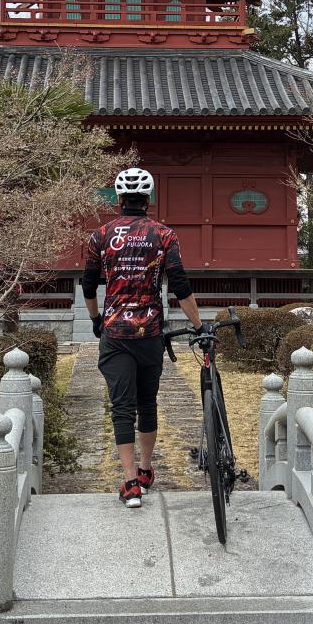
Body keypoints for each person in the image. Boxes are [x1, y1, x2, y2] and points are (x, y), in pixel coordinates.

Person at [82, 166, 204, 508]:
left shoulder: (100, 236)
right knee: (147, 402)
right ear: (148, 198)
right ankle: (147, 469)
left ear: (120, 198)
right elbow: (180, 287)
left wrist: (96, 319)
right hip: (150, 332)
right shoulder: (165, 235)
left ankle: (130, 483)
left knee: (122, 406)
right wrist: (198, 325)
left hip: (115, 331)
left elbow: (88, 285)